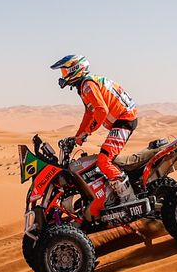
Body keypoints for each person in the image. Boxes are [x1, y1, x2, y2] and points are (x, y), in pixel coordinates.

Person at [50, 54, 138, 217]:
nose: (63, 77)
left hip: (125, 120)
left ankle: (129, 200)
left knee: (104, 160)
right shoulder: (85, 85)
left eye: (64, 72)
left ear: (75, 69)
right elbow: (89, 114)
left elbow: (101, 111)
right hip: (121, 119)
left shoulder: (87, 85)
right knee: (105, 159)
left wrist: (86, 133)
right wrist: (77, 136)